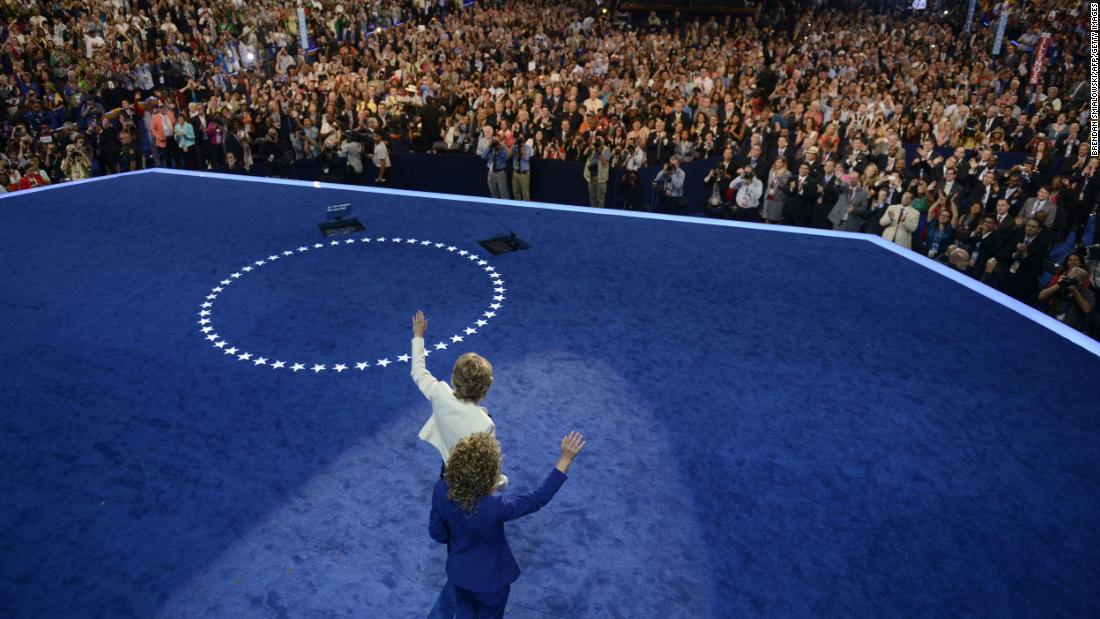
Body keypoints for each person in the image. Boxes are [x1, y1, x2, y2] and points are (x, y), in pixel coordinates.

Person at [430, 431, 586, 619]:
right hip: (491, 585)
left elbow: (437, 533)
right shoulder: (496, 507)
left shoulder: (440, 490)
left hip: (458, 575)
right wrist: (565, 459)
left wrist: (459, 538)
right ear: (490, 476)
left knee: (464, 612)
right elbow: (537, 499)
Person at [410, 310, 507, 488]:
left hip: (447, 472)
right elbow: (489, 466)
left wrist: (418, 337)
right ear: (488, 385)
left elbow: (418, 372)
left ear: (454, 377)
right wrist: (501, 481)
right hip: (470, 485)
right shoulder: (486, 424)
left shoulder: (440, 393)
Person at [1037, 267, 1095, 332]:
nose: (1070, 280)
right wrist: (1059, 284)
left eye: (1074, 279)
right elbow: (1040, 296)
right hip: (1051, 322)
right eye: (1069, 278)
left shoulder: (1088, 293)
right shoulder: (1060, 287)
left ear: (1082, 281)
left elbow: (1087, 309)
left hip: (1072, 329)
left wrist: (1075, 291)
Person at [583, 136, 611, 208]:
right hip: (591, 176)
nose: (597, 143)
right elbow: (584, 154)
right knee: (592, 197)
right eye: (596, 141)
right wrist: (590, 146)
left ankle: (600, 214)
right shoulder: (592, 148)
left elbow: (604, 161)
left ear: (602, 142)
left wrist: (599, 151)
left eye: (599, 141)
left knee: (600, 198)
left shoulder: (607, 150)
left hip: (601, 178)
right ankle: (593, 212)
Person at [761, 158, 789, 224]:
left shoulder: (787, 173)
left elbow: (784, 185)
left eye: (780, 162)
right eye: (777, 162)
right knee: (767, 216)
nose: (778, 163)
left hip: (778, 197)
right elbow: (768, 183)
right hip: (769, 194)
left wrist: (779, 177)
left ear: (783, 163)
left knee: (776, 217)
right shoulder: (771, 171)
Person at [510, 134, 533, 201]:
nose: (520, 139)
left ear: (524, 139)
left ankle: (526, 208)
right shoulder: (515, 147)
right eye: (519, 138)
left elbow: (526, 158)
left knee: (525, 193)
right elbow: (509, 155)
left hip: (524, 174)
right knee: (516, 192)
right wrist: (512, 144)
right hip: (516, 172)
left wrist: (522, 148)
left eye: (521, 138)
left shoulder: (528, 148)